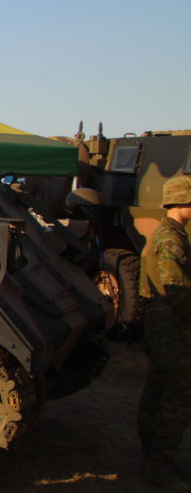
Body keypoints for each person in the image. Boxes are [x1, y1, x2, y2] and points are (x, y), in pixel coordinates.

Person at [137, 175, 191, 492]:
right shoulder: (171, 239)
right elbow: (177, 289)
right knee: (178, 395)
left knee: (158, 389)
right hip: (172, 323)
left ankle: (156, 458)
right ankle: (159, 464)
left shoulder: (171, 234)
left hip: (165, 320)